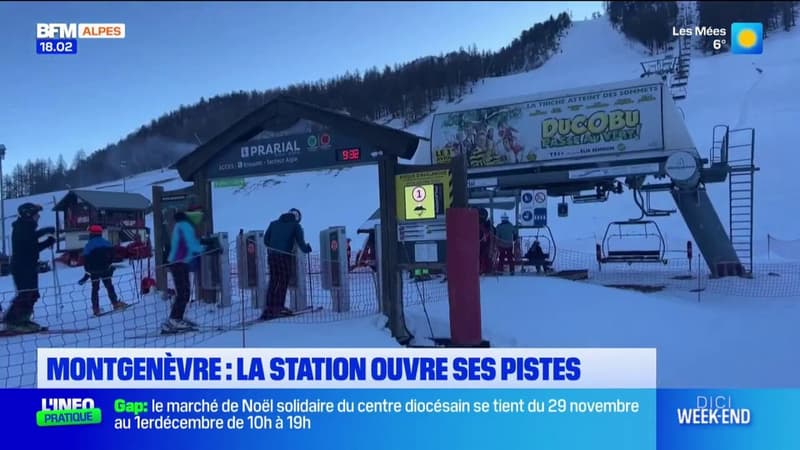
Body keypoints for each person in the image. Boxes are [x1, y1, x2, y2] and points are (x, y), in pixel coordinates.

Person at [2, 203, 56, 332]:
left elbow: (32, 238)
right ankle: (12, 321)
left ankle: (23, 319)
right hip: (22, 267)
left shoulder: (26, 227)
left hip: (29, 266)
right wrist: (48, 241)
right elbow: (31, 247)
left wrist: (46, 231)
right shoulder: (22, 228)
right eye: (36, 214)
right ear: (28, 215)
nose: (38, 216)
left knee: (32, 294)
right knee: (25, 294)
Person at [162, 207, 207, 333]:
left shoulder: (180, 225)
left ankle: (177, 317)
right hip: (179, 262)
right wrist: (206, 247)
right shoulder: (185, 226)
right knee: (184, 292)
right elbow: (191, 244)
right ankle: (175, 319)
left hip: (179, 262)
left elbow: (188, 242)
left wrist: (201, 243)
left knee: (184, 291)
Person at [261, 208, 312, 320]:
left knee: (273, 280)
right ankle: (278, 307)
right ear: (297, 218)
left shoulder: (273, 223)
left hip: (272, 256)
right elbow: (301, 243)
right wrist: (307, 248)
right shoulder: (295, 226)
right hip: (284, 256)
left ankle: (269, 307)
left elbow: (265, 240)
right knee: (283, 281)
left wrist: (274, 246)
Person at [77, 225, 128, 316]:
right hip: (105, 269)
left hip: (93, 271)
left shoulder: (89, 245)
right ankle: (115, 303)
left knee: (95, 289)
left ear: (92, 234)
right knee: (109, 286)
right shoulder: (107, 243)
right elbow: (113, 256)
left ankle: (96, 309)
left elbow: (84, 259)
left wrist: (88, 271)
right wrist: (108, 264)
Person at [478, 208, 494, 275]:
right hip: (483, 243)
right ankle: (485, 269)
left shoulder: (484, 223)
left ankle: (483, 269)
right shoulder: (486, 223)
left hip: (483, 243)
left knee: (483, 256)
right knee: (483, 256)